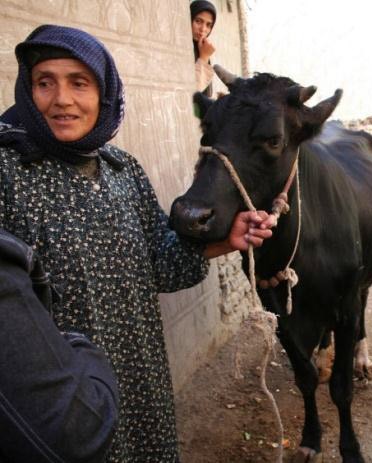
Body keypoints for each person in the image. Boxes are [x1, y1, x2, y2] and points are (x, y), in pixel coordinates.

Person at [0, 25, 272, 461]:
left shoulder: (122, 170)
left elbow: (160, 264)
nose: (62, 99)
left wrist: (226, 242)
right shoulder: (9, 172)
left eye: (79, 83)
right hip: (59, 406)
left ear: (104, 93)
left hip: (139, 378)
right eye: (44, 82)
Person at [0, 229, 119, 462]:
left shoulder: (130, 189)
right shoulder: (8, 196)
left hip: (124, 378)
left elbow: (166, 262)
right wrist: (75, 342)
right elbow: (74, 434)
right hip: (71, 391)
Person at [191, 0, 217, 95]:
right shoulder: (181, 49)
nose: (203, 29)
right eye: (198, 21)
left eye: (208, 25)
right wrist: (204, 57)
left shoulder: (200, 48)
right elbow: (192, 92)